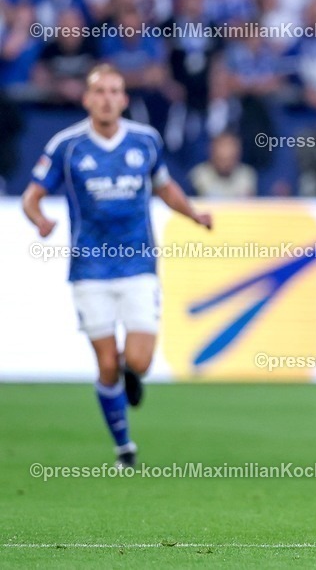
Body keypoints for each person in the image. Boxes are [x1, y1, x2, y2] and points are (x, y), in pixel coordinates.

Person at [21, 64, 212, 468]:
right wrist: (39, 220)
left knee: (138, 362)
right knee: (107, 363)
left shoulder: (145, 141)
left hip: (139, 265)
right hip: (89, 270)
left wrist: (193, 214)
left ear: (124, 99)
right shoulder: (67, 146)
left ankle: (131, 377)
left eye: (114, 91)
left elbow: (164, 186)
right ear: (87, 99)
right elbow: (31, 195)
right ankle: (124, 445)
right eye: (99, 92)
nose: (107, 98)